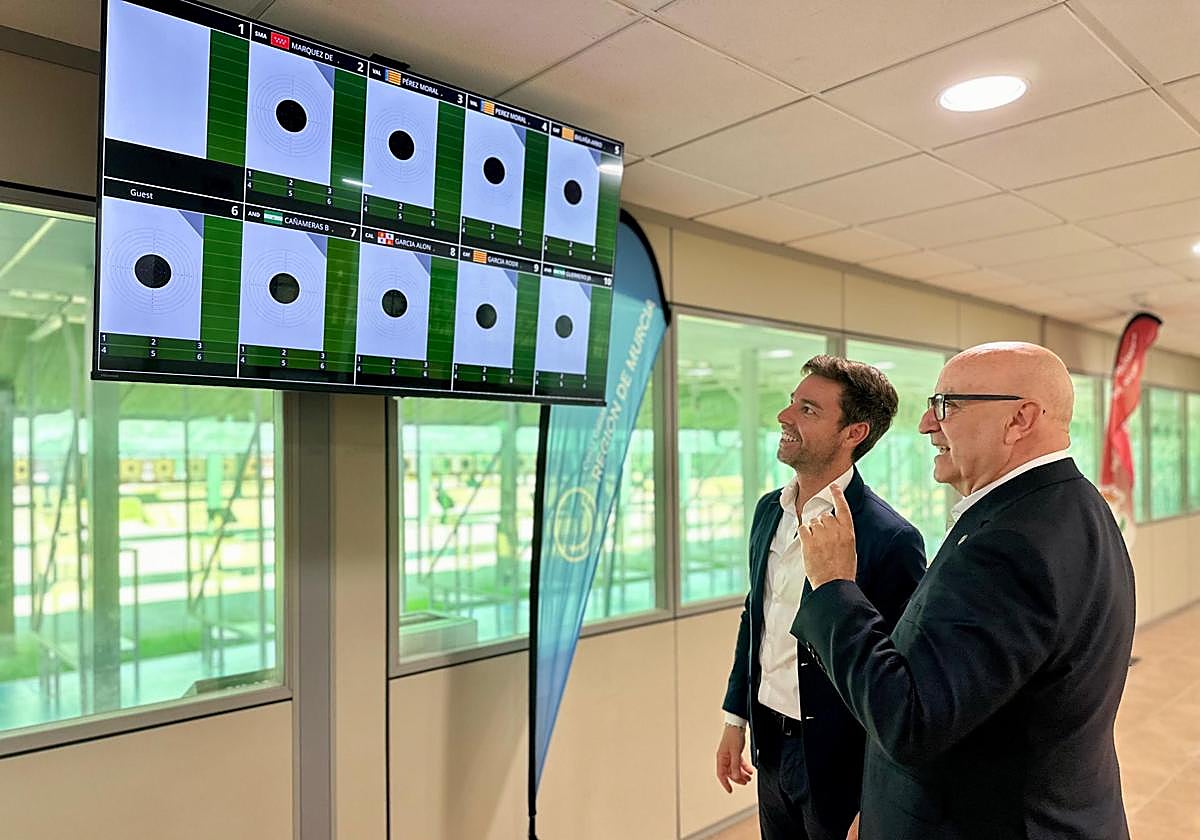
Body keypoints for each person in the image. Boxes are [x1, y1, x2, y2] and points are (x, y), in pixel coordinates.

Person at [793, 342, 1135, 840]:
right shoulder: (1069, 503)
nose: (925, 425)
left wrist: (833, 586)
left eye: (946, 406)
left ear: (1020, 419)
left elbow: (910, 722)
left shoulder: (1011, 544)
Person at [717, 355, 926, 840]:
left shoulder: (890, 537)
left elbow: (899, 676)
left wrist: (879, 796)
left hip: (841, 765)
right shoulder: (769, 511)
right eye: (792, 402)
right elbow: (757, 618)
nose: (784, 416)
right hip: (771, 745)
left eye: (807, 409)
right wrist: (735, 719)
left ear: (854, 433)